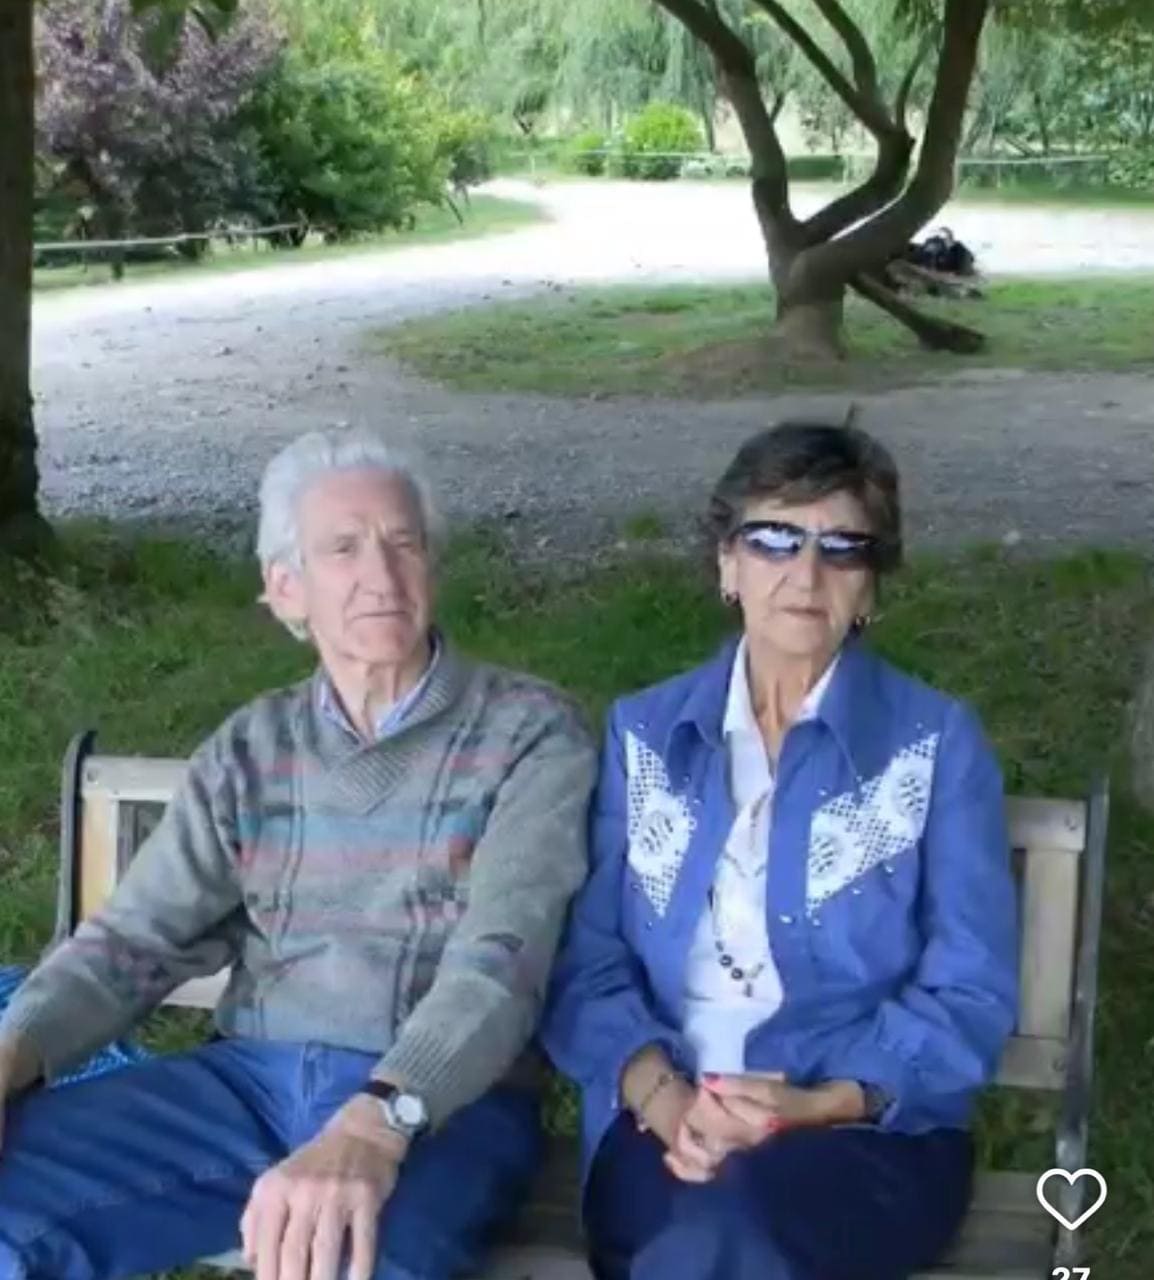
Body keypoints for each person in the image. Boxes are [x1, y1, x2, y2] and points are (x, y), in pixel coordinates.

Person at [0, 429, 596, 1280]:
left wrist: (376, 1120)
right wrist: (13, 1052)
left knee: (358, 1256)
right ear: (288, 588)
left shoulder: (529, 734)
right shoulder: (251, 748)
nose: (381, 576)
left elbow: (502, 961)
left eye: (402, 543)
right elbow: (132, 940)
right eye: (342, 549)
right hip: (244, 1087)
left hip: (436, 1104)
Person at [542, 420, 1019, 1280]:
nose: (805, 574)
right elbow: (588, 967)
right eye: (774, 539)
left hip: (862, 1137)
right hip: (663, 1123)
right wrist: (665, 1099)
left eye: (842, 548)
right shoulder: (646, 736)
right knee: (709, 1227)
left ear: (869, 588)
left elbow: (969, 987)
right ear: (727, 563)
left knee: (722, 1236)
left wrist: (817, 1104)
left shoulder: (936, 746)